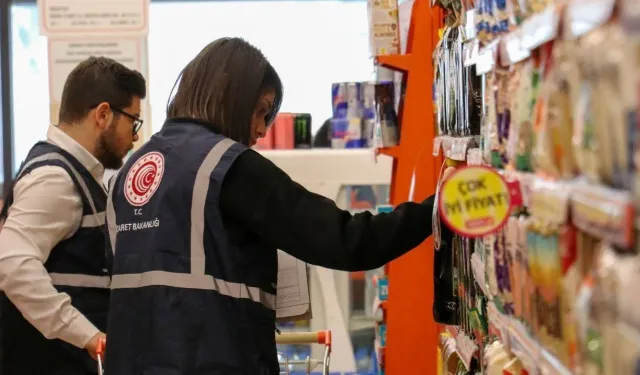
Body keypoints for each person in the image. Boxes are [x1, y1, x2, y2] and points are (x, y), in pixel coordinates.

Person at [104, 37, 438, 375]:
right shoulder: (228, 166)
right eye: (261, 111)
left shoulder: (130, 172)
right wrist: (437, 210)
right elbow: (348, 241)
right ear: (228, 93)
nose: (262, 130)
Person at [0, 56, 146, 375]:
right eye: (133, 122)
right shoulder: (55, 178)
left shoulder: (78, 175)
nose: (135, 136)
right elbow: (12, 264)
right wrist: (89, 336)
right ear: (104, 114)